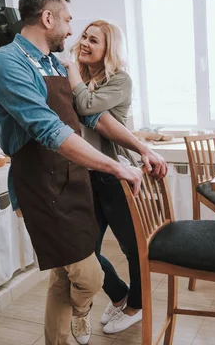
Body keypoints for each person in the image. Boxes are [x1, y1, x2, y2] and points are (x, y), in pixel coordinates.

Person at [0, 0, 162, 345]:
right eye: (66, 20)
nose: (71, 31)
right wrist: (118, 167)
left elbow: (91, 119)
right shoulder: (6, 63)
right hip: (41, 185)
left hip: (74, 179)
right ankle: (83, 313)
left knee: (63, 278)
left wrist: (140, 147)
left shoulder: (53, 62)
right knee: (88, 276)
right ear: (47, 17)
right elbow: (49, 130)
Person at [62, 19, 165, 334]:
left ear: (109, 50)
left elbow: (87, 106)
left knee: (133, 247)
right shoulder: (76, 78)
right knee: (85, 252)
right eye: (84, 37)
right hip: (83, 175)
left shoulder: (120, 80)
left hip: (114, 175)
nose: (85, 43)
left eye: (94, 40)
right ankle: (119, 294)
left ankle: (136, 305)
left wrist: (71, 71)